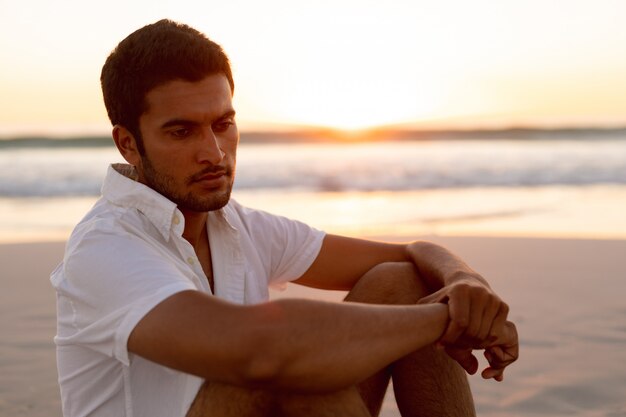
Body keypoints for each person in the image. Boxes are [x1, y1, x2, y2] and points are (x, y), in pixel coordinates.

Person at [51, 19, 518, 417]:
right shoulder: (105, 247)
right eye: (181, 132)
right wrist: (447, 320)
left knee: (398, 281)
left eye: (223, 124)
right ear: (128, 143)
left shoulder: (237, 226)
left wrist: (466, 284)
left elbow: (412, 256)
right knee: (291, 373)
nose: (213, 153)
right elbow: (262, 352)